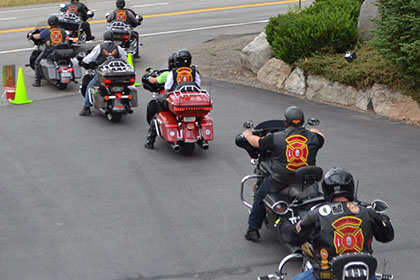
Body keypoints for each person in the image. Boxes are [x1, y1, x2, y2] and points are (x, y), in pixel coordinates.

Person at [292, 167, 394, 280]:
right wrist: (382, 218)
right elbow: (387, 236)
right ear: (350, 188)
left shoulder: (316, 215)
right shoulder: (367, 212)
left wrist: (296, 227)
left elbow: (295, 239)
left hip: (326, 276)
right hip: (365, 275)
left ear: (326, 190)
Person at [241, 106, 325, 241]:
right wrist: (313, 129)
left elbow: (257, 143)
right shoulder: (314, 138)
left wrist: (247, 134)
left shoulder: (276, 137)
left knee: (260, 196)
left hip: (280, 181)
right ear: (303, 122)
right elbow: (321, 136)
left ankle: (253, 229)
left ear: (286, 122)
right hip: (306, 180)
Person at [144, 49, 201, 149]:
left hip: (177, 99)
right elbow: (198, 85)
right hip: (192, 99)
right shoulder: (194, 72)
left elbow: (167, 87)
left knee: (157, 113)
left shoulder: (173, 72)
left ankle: (150, 141)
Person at [79, 30, 127, 116]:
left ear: (104, 38)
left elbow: (88, 59)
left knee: (90, 86)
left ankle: (86, 108)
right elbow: (125, 59)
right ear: (112, 38)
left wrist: (83, 61)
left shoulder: (99, 47)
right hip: (117, 74)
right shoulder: (118, 48)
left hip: (104, 75)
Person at [31, 15, 68, 87]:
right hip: (61, 50)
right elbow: (66, 37)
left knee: (37, 62)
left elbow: (38, 36)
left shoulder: (47, 31)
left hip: (50, 51)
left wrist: (31, 36)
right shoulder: (62, 31)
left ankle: (37, 82)